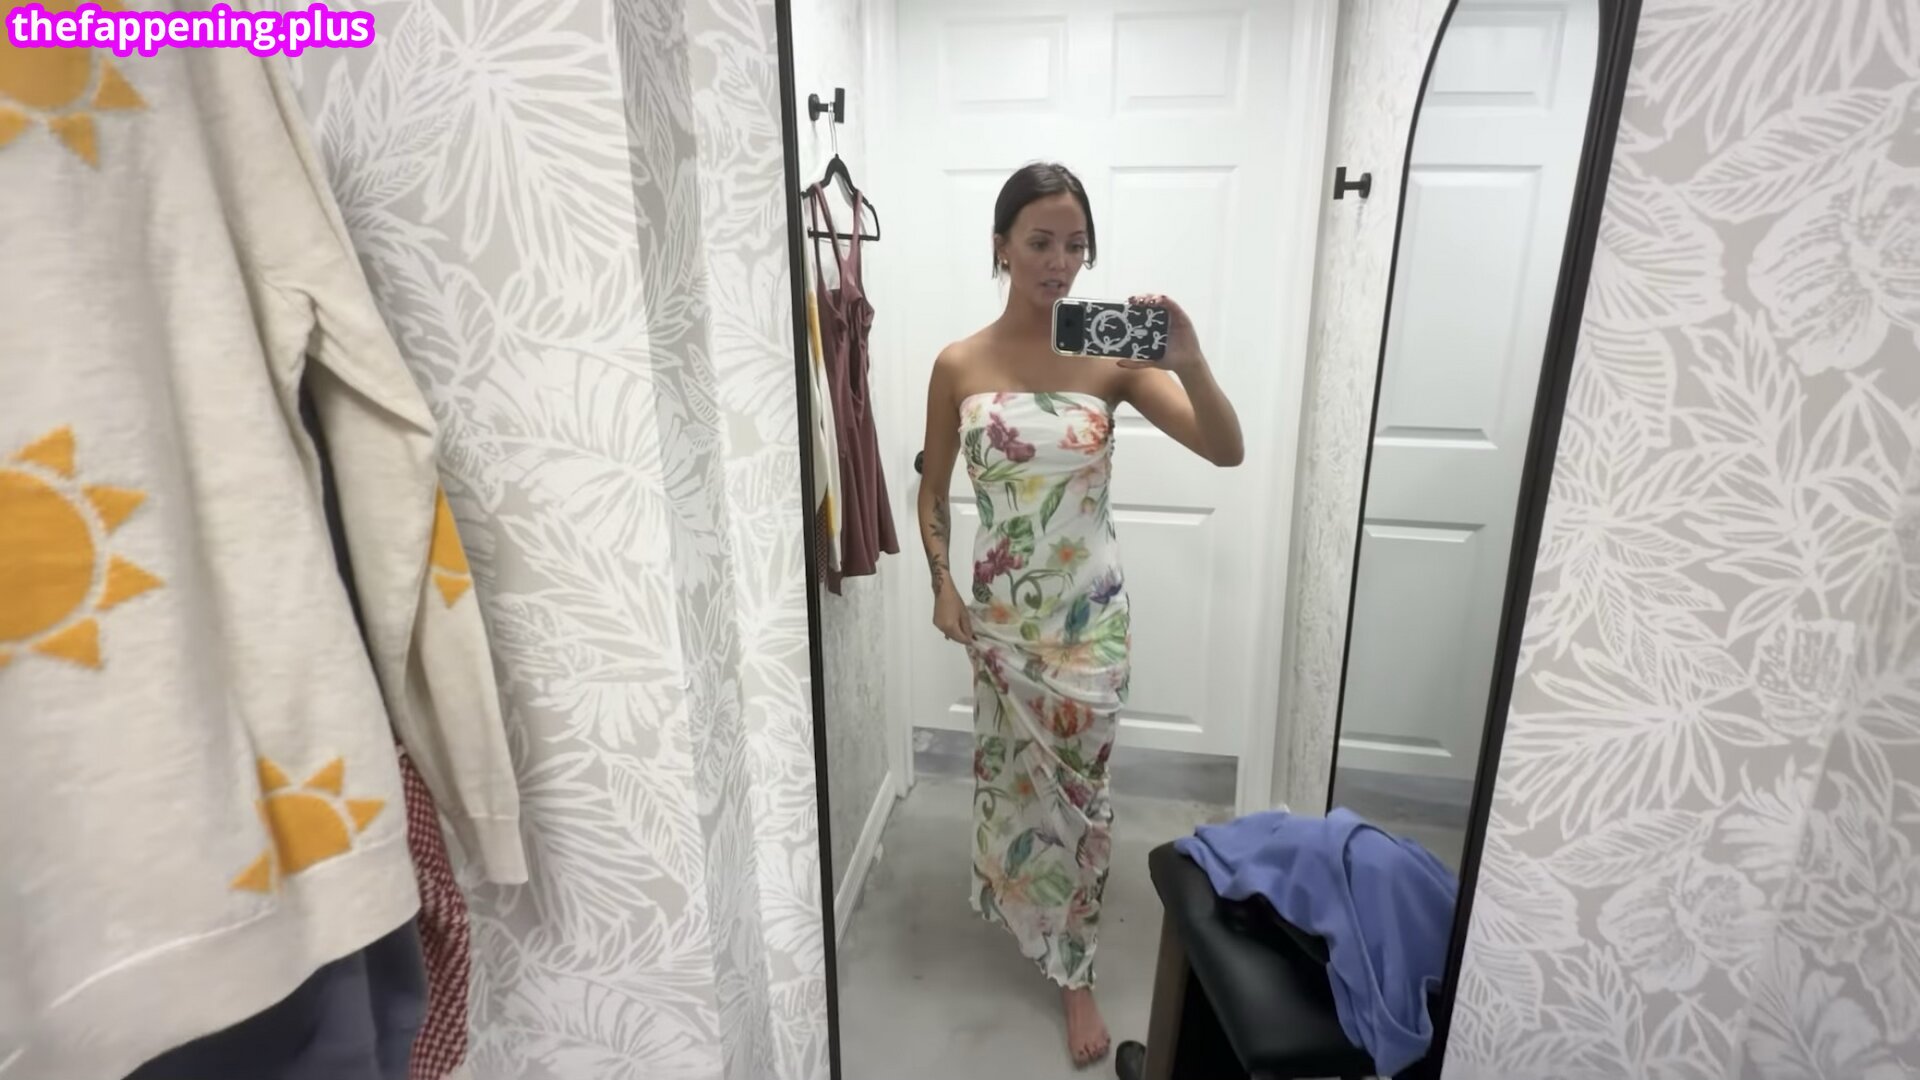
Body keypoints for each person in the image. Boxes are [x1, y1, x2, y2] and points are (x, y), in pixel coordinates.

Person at [915, 161, 1245, 1067]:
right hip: (1001, 624)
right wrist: (941, 583)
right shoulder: (959, 364)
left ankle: (1075, 969)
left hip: (1089, 623)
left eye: (1075, 245)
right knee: (1016, 787)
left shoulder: (1113, 359)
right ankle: (1029, 905)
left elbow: (1225, 450)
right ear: (1001, 247)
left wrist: (1189, 361)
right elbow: (932, 490)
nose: (1060, 263)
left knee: (1083, 801)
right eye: (1040, 243)